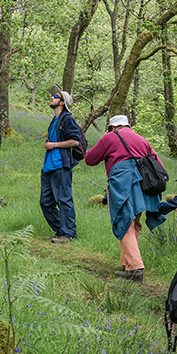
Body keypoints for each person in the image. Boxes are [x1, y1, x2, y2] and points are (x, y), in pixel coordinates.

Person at [84, 114, 165, 281]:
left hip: (123, 184)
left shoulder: (110, 137)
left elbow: (90, 159)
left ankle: (135, 268)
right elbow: (159, 164)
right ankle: (127, 264)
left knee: (124, 221)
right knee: (133, 223)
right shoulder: (142, 139)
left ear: (113, 127)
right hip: (144, 186)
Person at [41, 90, 84, 243]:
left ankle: (69, 234)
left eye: (56, 96)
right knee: (45, 202)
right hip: (48, 167)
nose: (52, 97)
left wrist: (54, 145)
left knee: (64, 200)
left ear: (62, 102)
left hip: (61, 166)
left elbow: (75, 141)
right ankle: (60, 229)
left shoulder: (68, 119)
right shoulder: (54, 120)